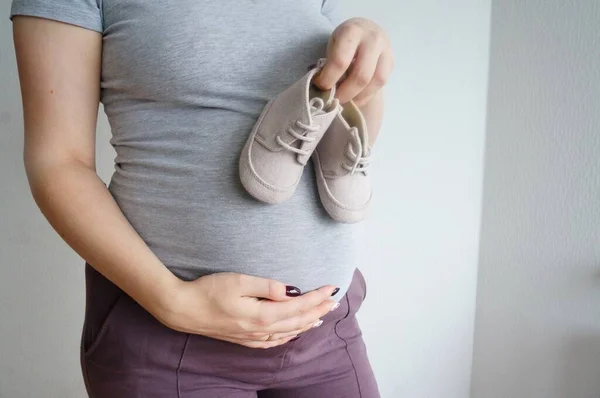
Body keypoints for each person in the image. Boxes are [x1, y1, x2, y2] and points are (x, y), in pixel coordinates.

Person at [11, 0, 393, 396]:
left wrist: (366, 64)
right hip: (171, 343)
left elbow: (334, 138)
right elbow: (58, 161)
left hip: (324, 331)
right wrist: (173, 302)